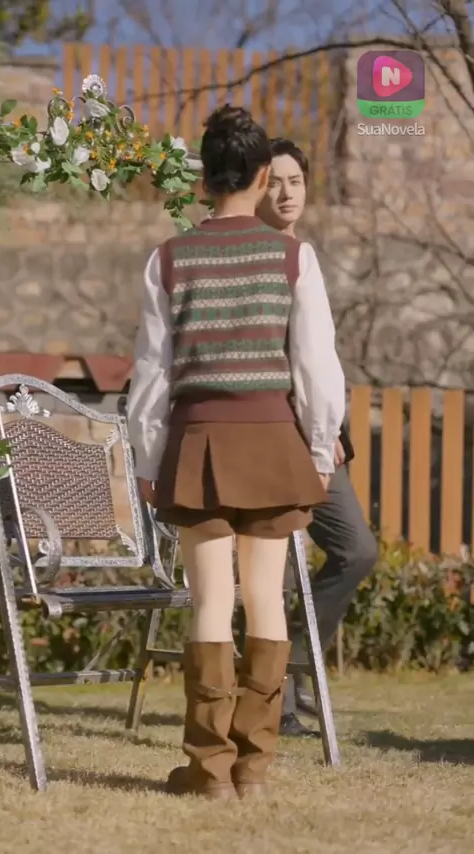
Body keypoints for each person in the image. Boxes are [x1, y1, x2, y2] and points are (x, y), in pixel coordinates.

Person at [127, 106, 345, 799]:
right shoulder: (293, 257)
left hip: (198, 444)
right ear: (259, 176)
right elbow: (317, 366)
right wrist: (320, 447)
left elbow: (151, 375)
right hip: (273, 442)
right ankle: (252, 767)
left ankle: (208, 769)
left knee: (210, 601)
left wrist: (146, 460)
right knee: (266, 599)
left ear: (204, 178)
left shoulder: (167, 259)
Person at [257, 137, 378, 738]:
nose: (286, 193)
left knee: (357, 550)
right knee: (276, 571)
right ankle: (273, 701)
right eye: (275, 181)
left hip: (320, 439)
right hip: (270, 438)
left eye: (296, 181)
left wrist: (327, 430)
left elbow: (317, 356)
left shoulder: (303, 254)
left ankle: (298, 664)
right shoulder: (254, 258)